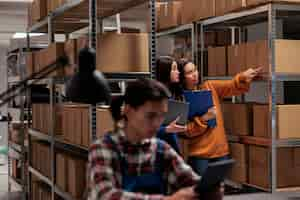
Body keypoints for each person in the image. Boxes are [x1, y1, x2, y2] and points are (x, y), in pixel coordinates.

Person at [88, 78, 200, 200]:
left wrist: (207, 189)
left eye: (162, 115)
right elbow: (106, 195)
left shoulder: (161, 150)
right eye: (150, 116)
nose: (157, 123)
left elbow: (192, 181)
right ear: (129, 111)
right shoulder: (104, 148)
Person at [177, 58, 262, 176]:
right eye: (189, 73)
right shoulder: (180, 99)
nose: (194, 74)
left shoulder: (209, 86)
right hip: (199, 155)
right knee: (202, 191)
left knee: (218, 191)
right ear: (182, 77)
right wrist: (204, 119)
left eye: (195, 70)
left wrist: (243, 76)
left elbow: (231, 85)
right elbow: (185, 131)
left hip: (221, 152)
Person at [155, 56, 186, 153]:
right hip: (160, 149)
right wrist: (167, 129)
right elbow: (145, 129)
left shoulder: (172, 94)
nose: (178, 72)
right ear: (165, 71)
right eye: (174, 69)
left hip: (171, 146)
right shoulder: (156, 97)